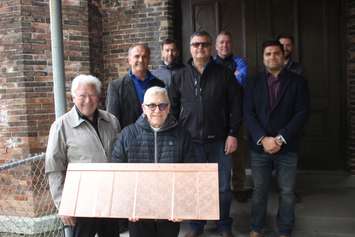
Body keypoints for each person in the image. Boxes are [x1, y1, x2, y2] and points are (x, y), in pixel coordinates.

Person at [169, 31, 242, 237]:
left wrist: (233, 133)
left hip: (220, 141)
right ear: (190, 48)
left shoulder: (224, 73)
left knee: (223, 189)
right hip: (190, 142)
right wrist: (176, 137)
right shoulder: (179, 76)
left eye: (204, 44)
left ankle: (224, 225)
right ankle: (196, 226)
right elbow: (172, 109)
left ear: (210, 47)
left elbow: (236, 106)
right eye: (195, 44)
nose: (200, 48)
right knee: (195, 187)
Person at [244, 41, 310, 237]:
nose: (272, 57)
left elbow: (301, 113)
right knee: (259, 191)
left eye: (276, 53)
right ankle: (256, 227)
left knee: (287, 192)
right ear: (263, 58)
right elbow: (248, 113)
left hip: (287, 147)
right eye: (268, 54)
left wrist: (280, 139)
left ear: (283, 56)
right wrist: (263, 138)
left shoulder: (298, 82)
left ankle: (285, 229)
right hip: (259, 147)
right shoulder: (253, 82)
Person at [112, 86, 195, 237]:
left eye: (162, 105)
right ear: (143, 108)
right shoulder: (127, 135)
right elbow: (118, 174)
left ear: (169, 108)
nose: (157, 110)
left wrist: (182, 206)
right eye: (151, 105)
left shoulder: (182, 135)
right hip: (138, 212)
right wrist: (127, 206)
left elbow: (190, 174)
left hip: (170, 211)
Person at [45, 74, 121, 237]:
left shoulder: (112, 121)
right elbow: (54, 168)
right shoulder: (61, 126)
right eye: (82, 96)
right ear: (73, 97)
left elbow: (120, 159)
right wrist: (62, 204)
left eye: (92, 95)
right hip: (81, 201)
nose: (88, 100)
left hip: (109, 199)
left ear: (99, 97)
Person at [214, 31, 251, 203]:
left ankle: (239, 187)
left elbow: (240, 80)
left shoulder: (240, 62)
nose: (224, 45)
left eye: (227, 42)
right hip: (216, 115)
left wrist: (224, 80)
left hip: (237, 114)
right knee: (217, 153)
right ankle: (219, 187)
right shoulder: (211, 63)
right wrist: (230, 77)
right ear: (216, 45)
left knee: (238, 152)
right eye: (221, 42)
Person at [106, 43, 165, 129]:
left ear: (149, 59)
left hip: (155, 137)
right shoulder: (116, 87)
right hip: (129, 139)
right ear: (129, 60)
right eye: (136, 56)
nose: (141, 60)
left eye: (144, 56)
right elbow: (113, 121)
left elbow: (164, 113)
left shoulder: (159, 84)